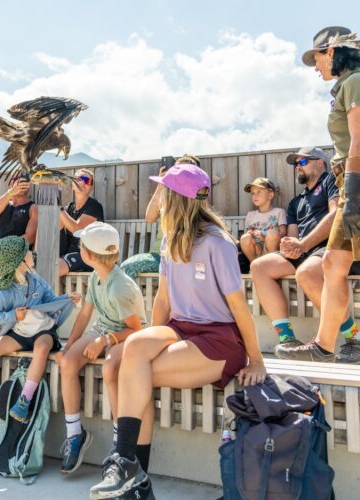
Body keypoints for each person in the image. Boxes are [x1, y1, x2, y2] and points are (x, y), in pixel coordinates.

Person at [89, 158, 266, 499]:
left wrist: (256, 359)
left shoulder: (218, 242)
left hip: (218, 339)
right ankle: (129, 469)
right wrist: (150, 340)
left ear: (177, 198)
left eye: (164, 190)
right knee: (136, 353)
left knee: (135, 369)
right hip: (180, 329)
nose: (159, 196)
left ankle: (130, 469)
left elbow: (238, 306)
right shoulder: (170, 241)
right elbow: (164, 301)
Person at [277, 27, 360, 368]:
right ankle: (324, 346)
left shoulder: (355, 82)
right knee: (331, 264)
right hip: (356, 181)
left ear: (335, 52)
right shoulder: (350, 84)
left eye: (318, 57)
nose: (315, 65)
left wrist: (352, 199)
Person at [250, 147, 360, 363]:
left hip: (333, 246)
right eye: (296, 163)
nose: (298, 166)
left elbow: (336, 214)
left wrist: (303, 244)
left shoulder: (331, 181)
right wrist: (289, 245)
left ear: (320, 163)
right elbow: (295, 236)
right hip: (306, 251)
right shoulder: (296, 202)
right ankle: (288, 340)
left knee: (306, 273)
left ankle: (356, 342)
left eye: (303, 162)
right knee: (260, 267)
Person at [54, 221, 146, 475]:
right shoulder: (96, 277)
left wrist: (104, 342)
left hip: (126, 336)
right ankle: (75, 434)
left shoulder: (120, 287)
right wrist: (69, 346)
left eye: (81, 246)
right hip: (103, 328)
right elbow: (84, 315)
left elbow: (137, 330)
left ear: (89, 255)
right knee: (68, 362)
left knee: (110, 368)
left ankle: (120, 443)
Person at [0, 236, 79, 421]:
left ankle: (25, 400)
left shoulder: (36, 279)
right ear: (19, 261)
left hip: (43, 330)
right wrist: (13, 315)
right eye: (28, 251)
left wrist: (66, 297)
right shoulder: (5, 292)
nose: (32, 253)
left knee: (43, 348)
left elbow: (51, 301)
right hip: (19, 333)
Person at [119, 165, 168, 280]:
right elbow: (150, 218)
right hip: (158, 257)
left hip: (181, 260)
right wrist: (161, 184)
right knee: (127, 267)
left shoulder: (197, 202)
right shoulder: (167, 197)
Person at [58, 169, 105, 277]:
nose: (82, 183)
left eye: (87, 180)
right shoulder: (68, 209)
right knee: (46, 262)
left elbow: (77, 230)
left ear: (91, 187)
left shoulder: (94, 207)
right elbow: (58, 234)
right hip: (68, 256)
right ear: (72, 185)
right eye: (78, 179)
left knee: (55, 266)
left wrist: (58, 208)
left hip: (90, 257)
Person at [240, 177, 287, 261]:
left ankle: (271, 263)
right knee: (245, 238)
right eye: (253, 193)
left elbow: (283, 235)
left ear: (270, 195)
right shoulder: (250, 215)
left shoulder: (279, 212)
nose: (255, 196)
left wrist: (264, 236)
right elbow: (248, 236)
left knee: (273, 234)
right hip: (256, 250)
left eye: (259, 192)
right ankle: (254, 264)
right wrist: (252, 233)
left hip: (271, 250)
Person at [0, 173, 38, 245]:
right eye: (16, 179)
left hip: (16, 252)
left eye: (23, 180)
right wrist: (11, 192)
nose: (20, 182)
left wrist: (6, 248)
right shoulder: (0, 202)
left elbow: (30, 237)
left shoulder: (33, 208)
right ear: (10, 184)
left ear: (29, 184)